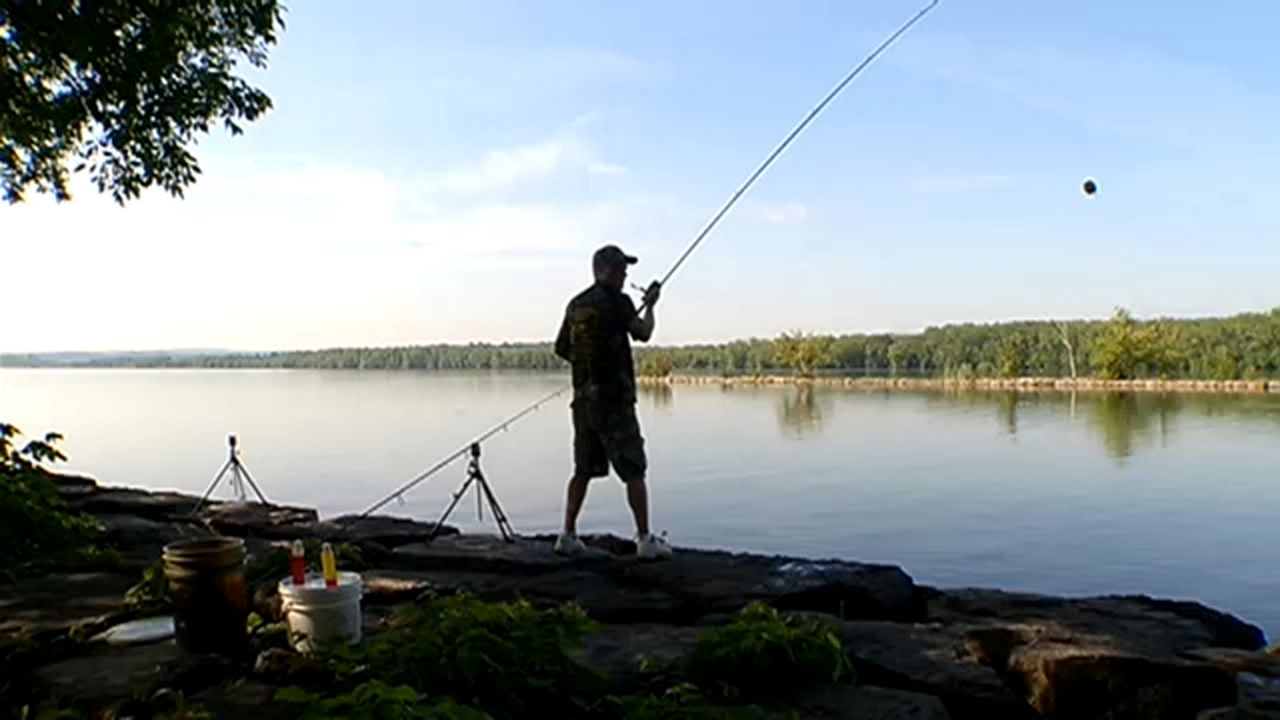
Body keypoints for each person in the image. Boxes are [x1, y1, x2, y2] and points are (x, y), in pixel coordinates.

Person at [553, 244, 673, 559]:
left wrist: (588, 363)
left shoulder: (575, 305)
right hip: (615, 401)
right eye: (621, 269)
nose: (625, 274)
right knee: (634, 468)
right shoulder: (618, 302)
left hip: (583, 402)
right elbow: (644, 332)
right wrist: (650, 305)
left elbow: (562, 348)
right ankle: (645, 540)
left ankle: (567, 534)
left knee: (582, 468)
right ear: (604, 270)